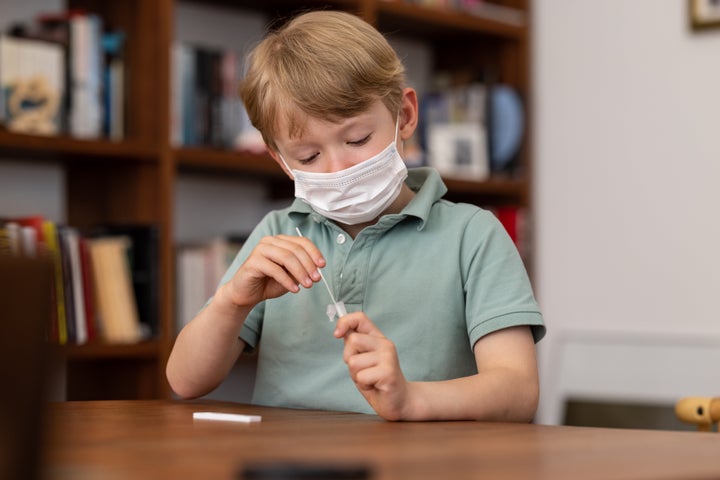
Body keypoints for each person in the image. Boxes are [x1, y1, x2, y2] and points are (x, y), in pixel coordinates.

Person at [166, 10, 545, 422]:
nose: (338, 169)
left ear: (406, 115)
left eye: (357, 138)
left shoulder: (473, 236)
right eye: (307, 156)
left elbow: (518, 389)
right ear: (280, 161)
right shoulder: (277, 233)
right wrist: (231, 301)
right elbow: (185, 382)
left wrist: (412, 400)